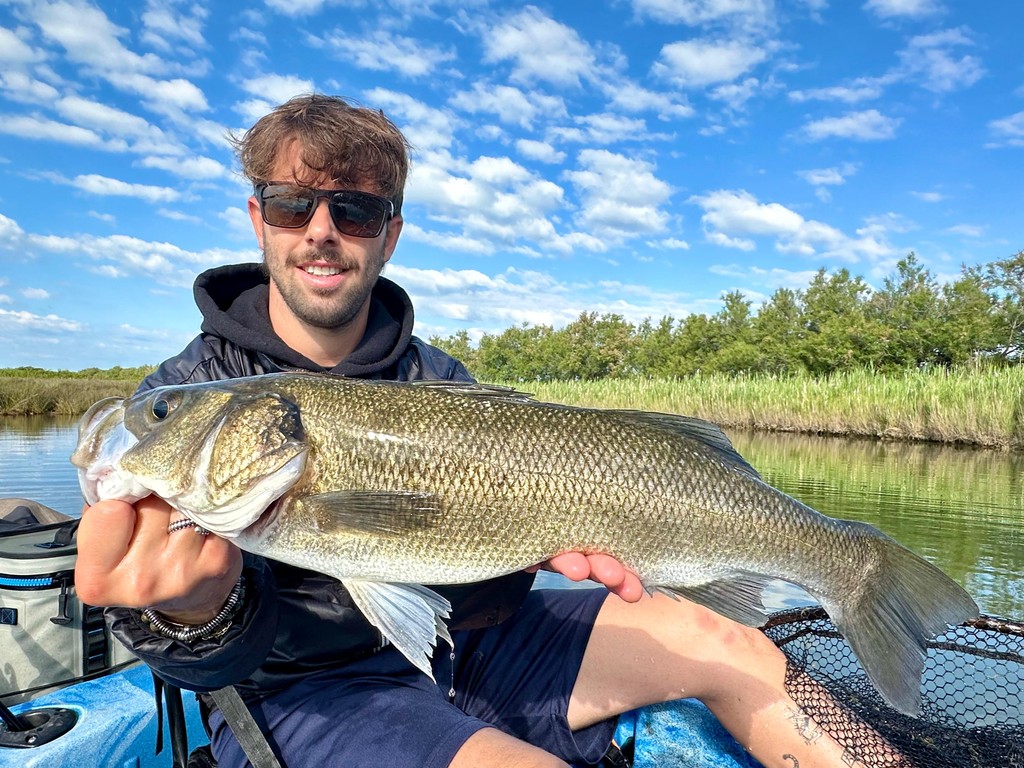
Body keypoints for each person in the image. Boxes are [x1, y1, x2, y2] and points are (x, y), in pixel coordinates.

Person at [75, 94, 877, 768]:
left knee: (731, 644)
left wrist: (546, 542)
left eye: (355, 210)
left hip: (469, 647)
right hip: (303, 692)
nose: (321, 230)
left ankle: (851, 575)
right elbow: (183, 652)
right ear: (260, 219)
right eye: (294, 204)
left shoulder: (441, 379)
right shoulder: (188, 392)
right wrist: (197, 613)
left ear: (389, 234)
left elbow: (474, 576)